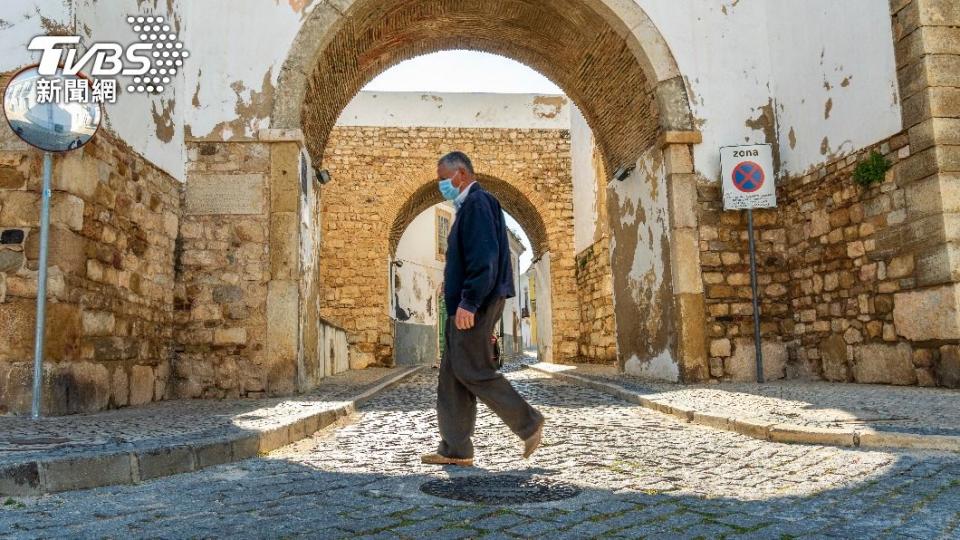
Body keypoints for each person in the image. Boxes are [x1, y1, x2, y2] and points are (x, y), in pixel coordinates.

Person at [421, 151, 545, 467]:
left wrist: (469, 302)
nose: (440, 186)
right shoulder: (470, 206)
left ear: (460, 174)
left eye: (442, 179)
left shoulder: (477, 203)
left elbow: (484, 258)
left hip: (474, 303)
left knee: (472, 369)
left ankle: (528, 422)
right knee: (452, 375)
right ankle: (456, 448)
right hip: (466, 304)